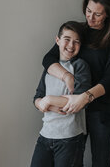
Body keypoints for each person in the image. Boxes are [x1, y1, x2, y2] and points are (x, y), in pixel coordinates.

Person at [42, 0, 110, 167]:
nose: (90, 18)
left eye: (97, 14)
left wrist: (85, 97)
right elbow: (48, 59)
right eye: (88, 11)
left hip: (102, 110)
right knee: (73, 161)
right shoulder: (78, 31)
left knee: (100, 162)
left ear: (108, 15)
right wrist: (65, 76)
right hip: (73, 109)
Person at [30, 21, 92, 167]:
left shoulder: (80, 66)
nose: (71, 45)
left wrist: (49, 99)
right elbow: (37, 98)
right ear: (57, 40)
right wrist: (45, 104)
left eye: (76, 42)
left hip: (70, 138)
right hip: (45, 135)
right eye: (67, 39)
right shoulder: (50, 68)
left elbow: (78, 101)